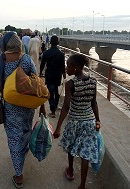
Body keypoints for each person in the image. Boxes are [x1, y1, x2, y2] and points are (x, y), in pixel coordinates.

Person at [0, 32, 46, 188]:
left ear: (5, 45)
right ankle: (24, 150)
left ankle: (19, 175)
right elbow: (37, 82)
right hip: (27, 105)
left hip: (9, 106)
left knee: (14, 138)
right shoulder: (26, 59)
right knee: (25, 130)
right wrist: (42, 105)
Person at [53, 54, 101, 189]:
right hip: (89, 122)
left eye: (68, 66)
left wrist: (58, 128)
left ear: (76, 68)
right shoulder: (93, 81)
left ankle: (71, 170)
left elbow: (66, 107)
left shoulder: (71, 84)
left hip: (75, 121)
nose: (66, 69)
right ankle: (82, 185)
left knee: (70, 146)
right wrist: (97, 120)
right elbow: (94, 103)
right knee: (85, 154)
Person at [39, 35, 66, 118]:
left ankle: (52, 110)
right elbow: (62, 66)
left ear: (50, 42)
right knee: (56, 92)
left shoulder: (46, 53)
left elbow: (42, 64)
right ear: (58, 43)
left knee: (50, 92)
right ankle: (55, 108)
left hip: (49, 74)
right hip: (58, 75)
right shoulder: (61, 54)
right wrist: (64, 75)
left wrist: (40, 73)